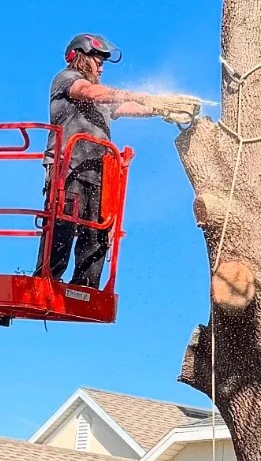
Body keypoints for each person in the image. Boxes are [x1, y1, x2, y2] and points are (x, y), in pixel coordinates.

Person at [41, 33, 197, 287]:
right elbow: (89, 92)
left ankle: (85, 285)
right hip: (68, 166)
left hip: (99, 168)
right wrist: (139, 94)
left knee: (99, 228)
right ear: (79, 57)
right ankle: (48, 278)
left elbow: (128, 108)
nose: (101, 65)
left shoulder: (102, 98)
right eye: (97, 58)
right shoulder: (67, 79)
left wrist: (161, 107)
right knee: (64, 222)